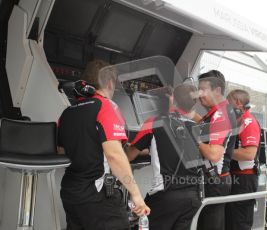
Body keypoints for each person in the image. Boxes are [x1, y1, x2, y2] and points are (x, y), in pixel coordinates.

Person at [57, 59, 150, 230]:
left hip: (70, 192)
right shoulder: (105, 106)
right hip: (98, 196)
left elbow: (62, 150)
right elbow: (114, 155)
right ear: (110, 83)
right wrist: (136, 195)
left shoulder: (67, 112)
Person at [127, 84, 202, 230]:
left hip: (166, 196)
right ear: (195, 104)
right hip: (192, 197)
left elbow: (128, 156)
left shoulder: (154, 122)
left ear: (173, 101)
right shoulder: (199, 128)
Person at [197, 70, 233, 230]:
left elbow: (214, 154)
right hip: (215, 180)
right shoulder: (217, 113)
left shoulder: (221, 115)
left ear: (217, 91)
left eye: (203, 90)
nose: (199, 94)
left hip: (214, 181)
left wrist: (192, 139)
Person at [225, 89, 261, 230]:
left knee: (240, 224)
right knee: (231, 222)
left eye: (228, 103)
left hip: (244, 181)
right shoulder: (237, 121)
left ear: (238, 103)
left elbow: (249, 154)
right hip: (234, 179)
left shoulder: (248, 122)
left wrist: (222, 151)